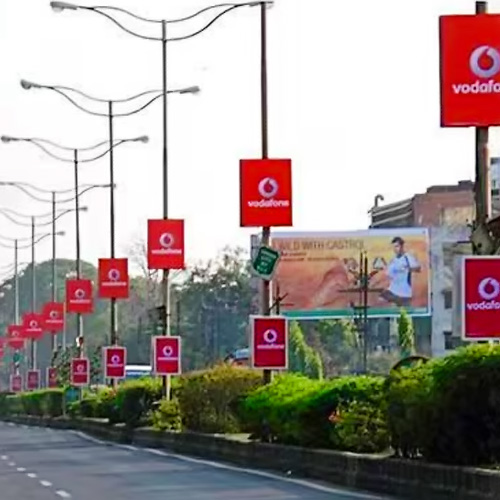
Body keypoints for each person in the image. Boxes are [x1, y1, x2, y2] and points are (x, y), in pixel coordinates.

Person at [380, 236, 421, 307]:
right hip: (393, 291)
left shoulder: (407, 258)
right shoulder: (393, 260)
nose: (395, 249)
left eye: (397, 246)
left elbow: (418, 268)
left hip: (404, 294)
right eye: (394, 247)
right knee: (381, 298)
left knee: (404, 311)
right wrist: (385, 268)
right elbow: (389, 274)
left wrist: (407, 268)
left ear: (402, 247)